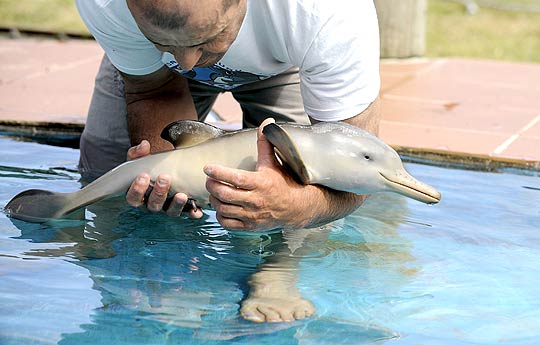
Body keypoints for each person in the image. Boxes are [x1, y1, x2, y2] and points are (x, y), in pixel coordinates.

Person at [75, 0, 381, 233]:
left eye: (207, 38)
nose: (187, 62)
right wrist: (168, 174)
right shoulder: (105, 4)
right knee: (106, 171)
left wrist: (294, 206)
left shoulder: (326, 13)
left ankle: (275, 277)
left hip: (283, 59)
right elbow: (154, 90)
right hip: (157, 74)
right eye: (164, 41)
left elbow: (354, 175)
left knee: (301, 192)